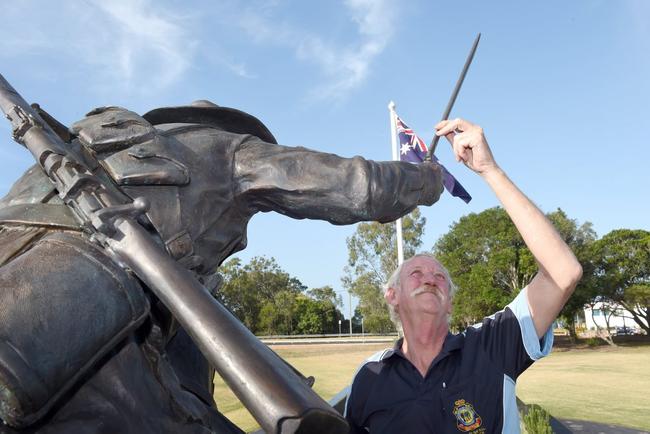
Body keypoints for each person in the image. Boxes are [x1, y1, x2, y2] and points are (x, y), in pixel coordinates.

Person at [0, 101, 444, 433]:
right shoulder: (224, 149)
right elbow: (358, 186)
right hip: (75, 329)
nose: (242, 239)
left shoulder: (75, 147)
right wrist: (426, 178)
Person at [345, 118, 583, 434]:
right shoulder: (369, 376)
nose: (430, 279)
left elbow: (562, 274)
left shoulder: (490, 346)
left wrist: (490, 171)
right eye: (416, 273)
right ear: (393, 295)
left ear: (450, 304)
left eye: (440, 277)